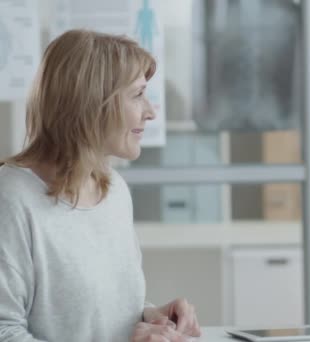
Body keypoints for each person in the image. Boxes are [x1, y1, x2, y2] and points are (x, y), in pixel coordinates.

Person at [0, 30, 201, 341]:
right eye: (137, 95)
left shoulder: (114, 191)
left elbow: (91, 317)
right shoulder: (11, 198)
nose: (151, 111)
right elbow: (5, 332)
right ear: (91, 104)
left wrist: (151, 316)